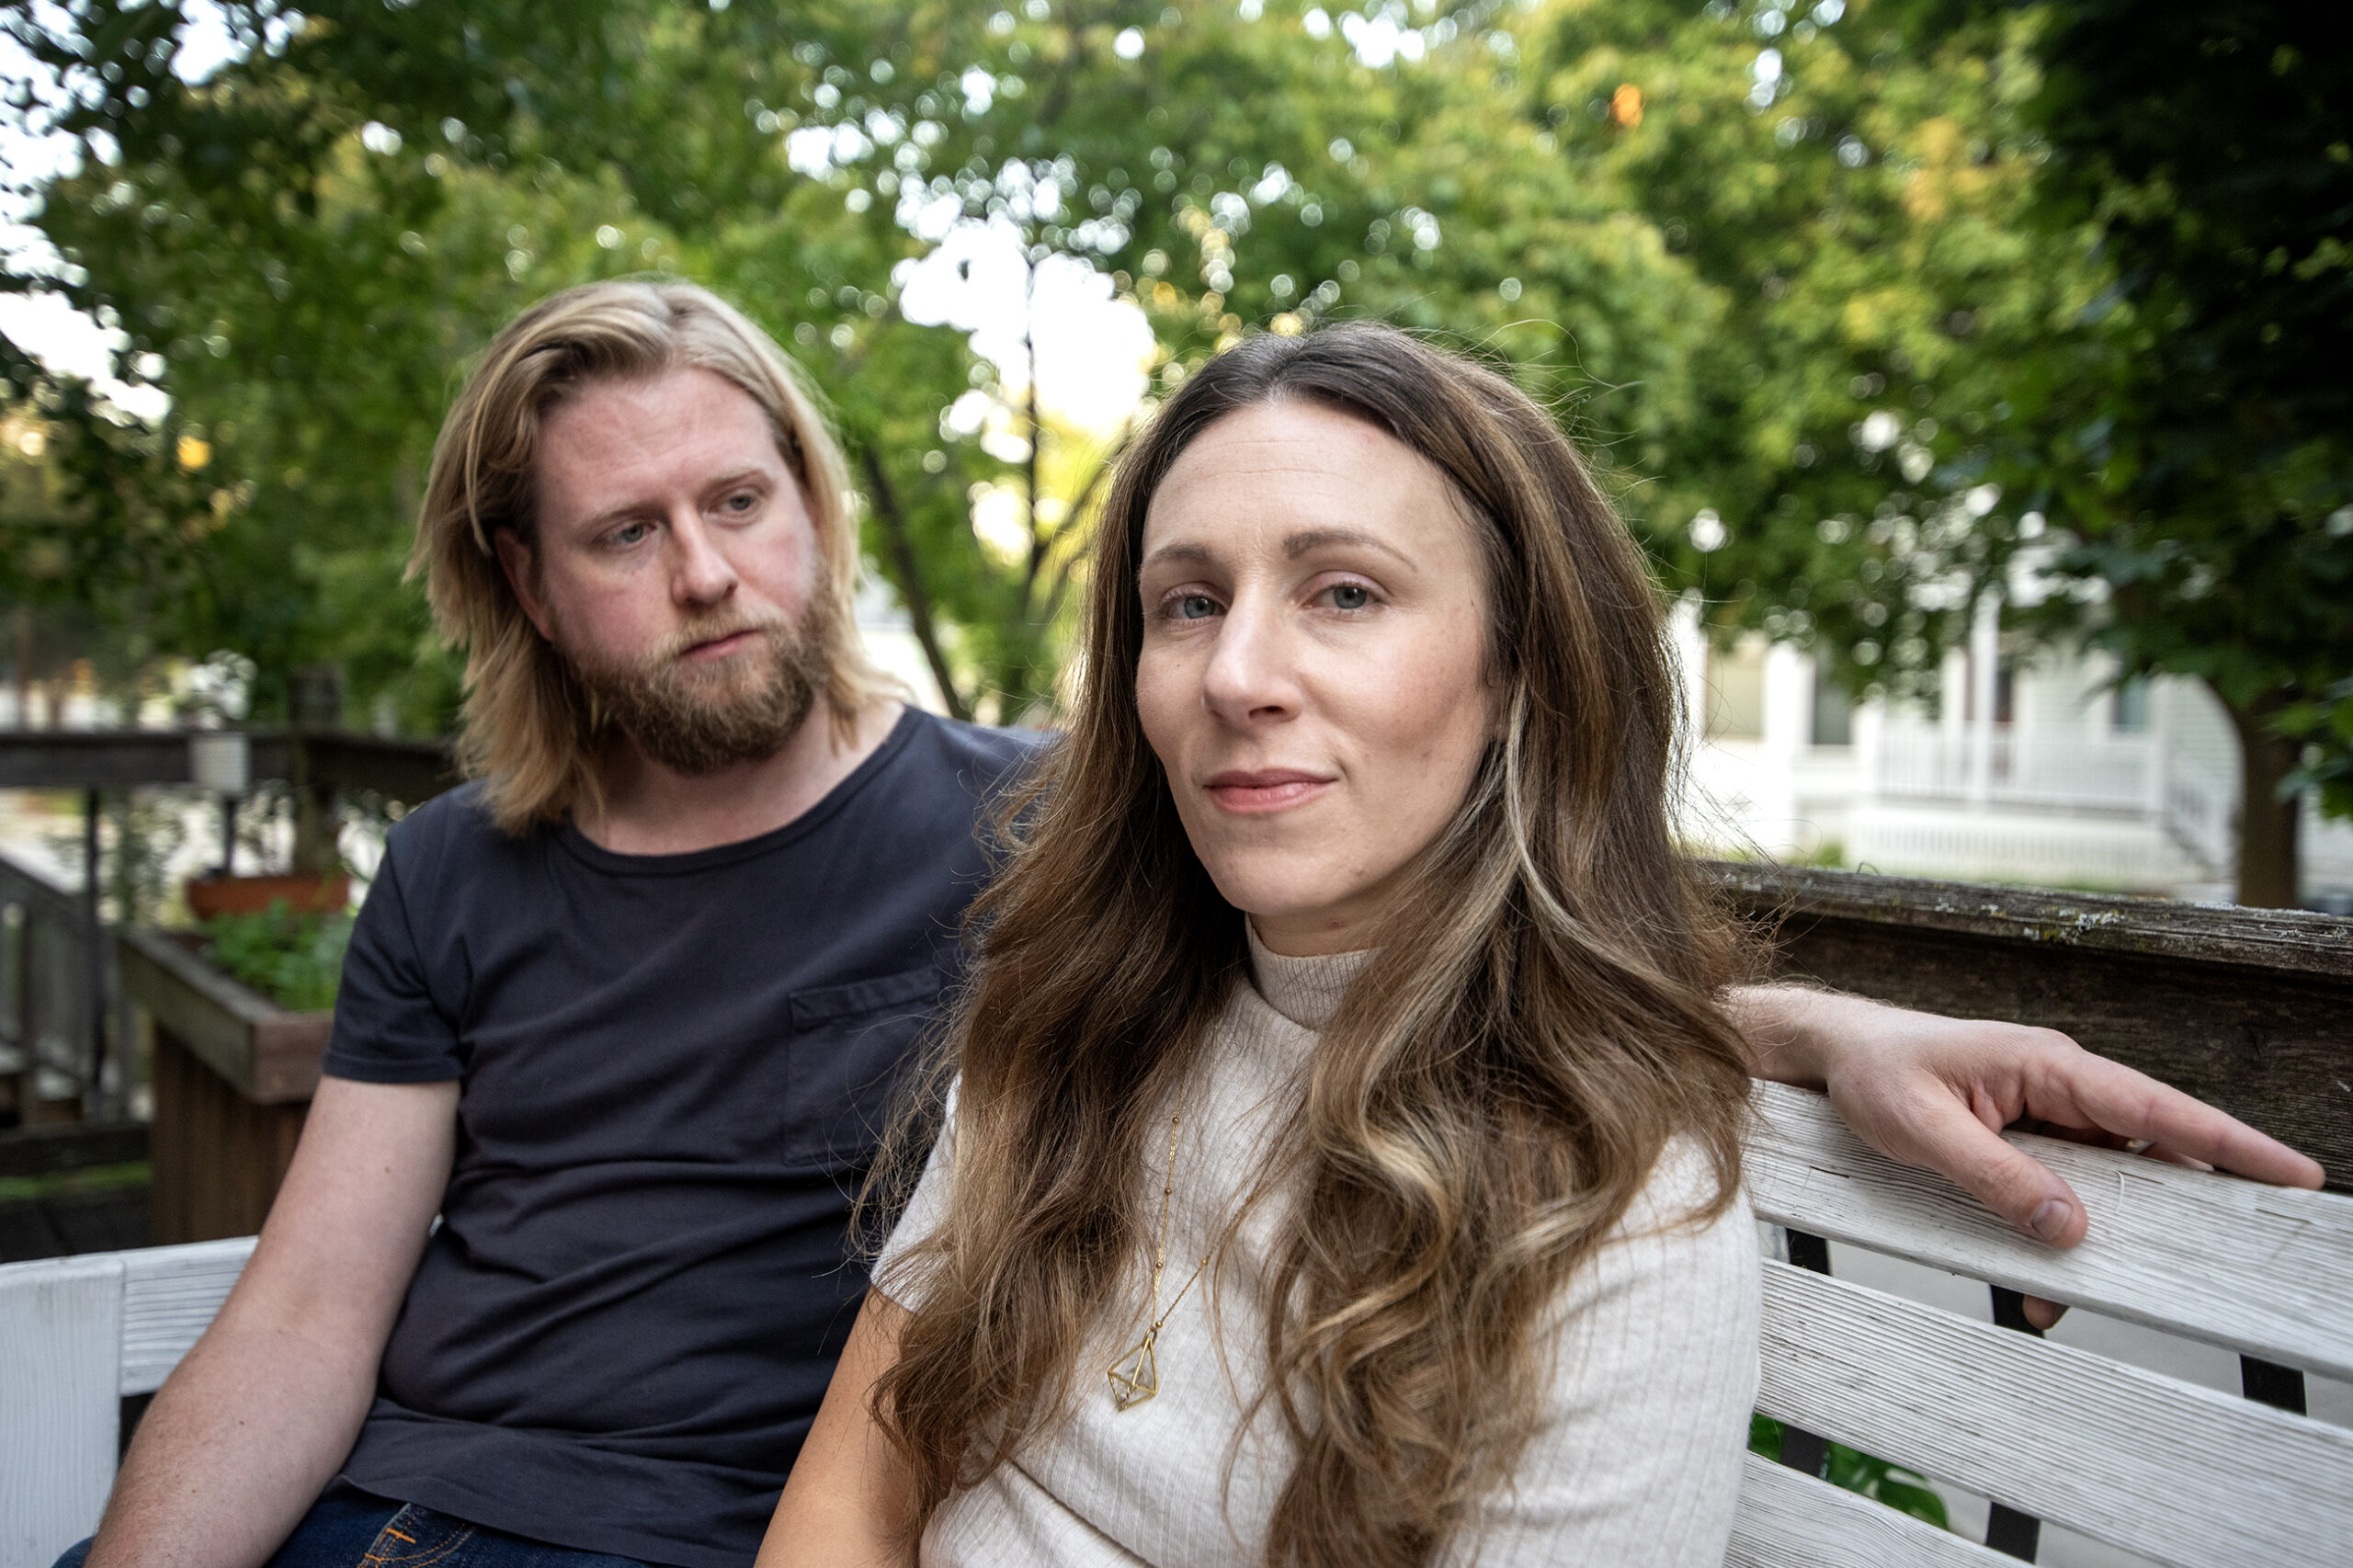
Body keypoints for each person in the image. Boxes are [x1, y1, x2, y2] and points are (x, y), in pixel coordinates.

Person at [69, 286, 2322, 1568]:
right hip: (397, 1499)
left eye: (739, 500)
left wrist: (1790, 1019)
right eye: (625, 531)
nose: (702, 569)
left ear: (814, 515)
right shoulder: (480, 870)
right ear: (527, 588)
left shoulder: (1014, 835)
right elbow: (304, 1308)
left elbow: (1417, 926)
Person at [760, 323, 2327, 1568]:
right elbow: (856, 1494)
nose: (1239, 671)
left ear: (1516, 677)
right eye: (1187, 603)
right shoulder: (1065, 1026)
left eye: (1346, 592)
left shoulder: (1607, 1199)